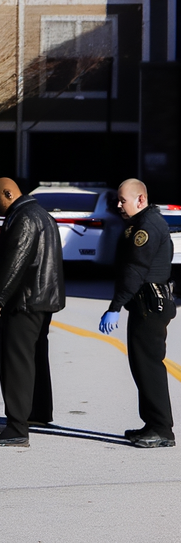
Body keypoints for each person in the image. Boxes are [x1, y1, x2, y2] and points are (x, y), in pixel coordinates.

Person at [0, 177, 65, 448]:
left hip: (24, 300)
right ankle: (37, 412)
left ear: (8, 193)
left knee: (15, 362)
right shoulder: (40, 214)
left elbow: (16, 258)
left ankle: (17, 427)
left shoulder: (24, 217)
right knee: (35, 357)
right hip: (43, 298)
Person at [98, 178, 176, 448]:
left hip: (149, 305)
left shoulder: (147, 226)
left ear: (140, 199)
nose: (119, 205)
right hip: (144, 304)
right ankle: (151, 423)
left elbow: (135, 270)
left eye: (123, 200)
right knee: (141, 366)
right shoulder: (140, 223)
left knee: (149, 366)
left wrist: (114, 307)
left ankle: (162, 430)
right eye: (117, 200)